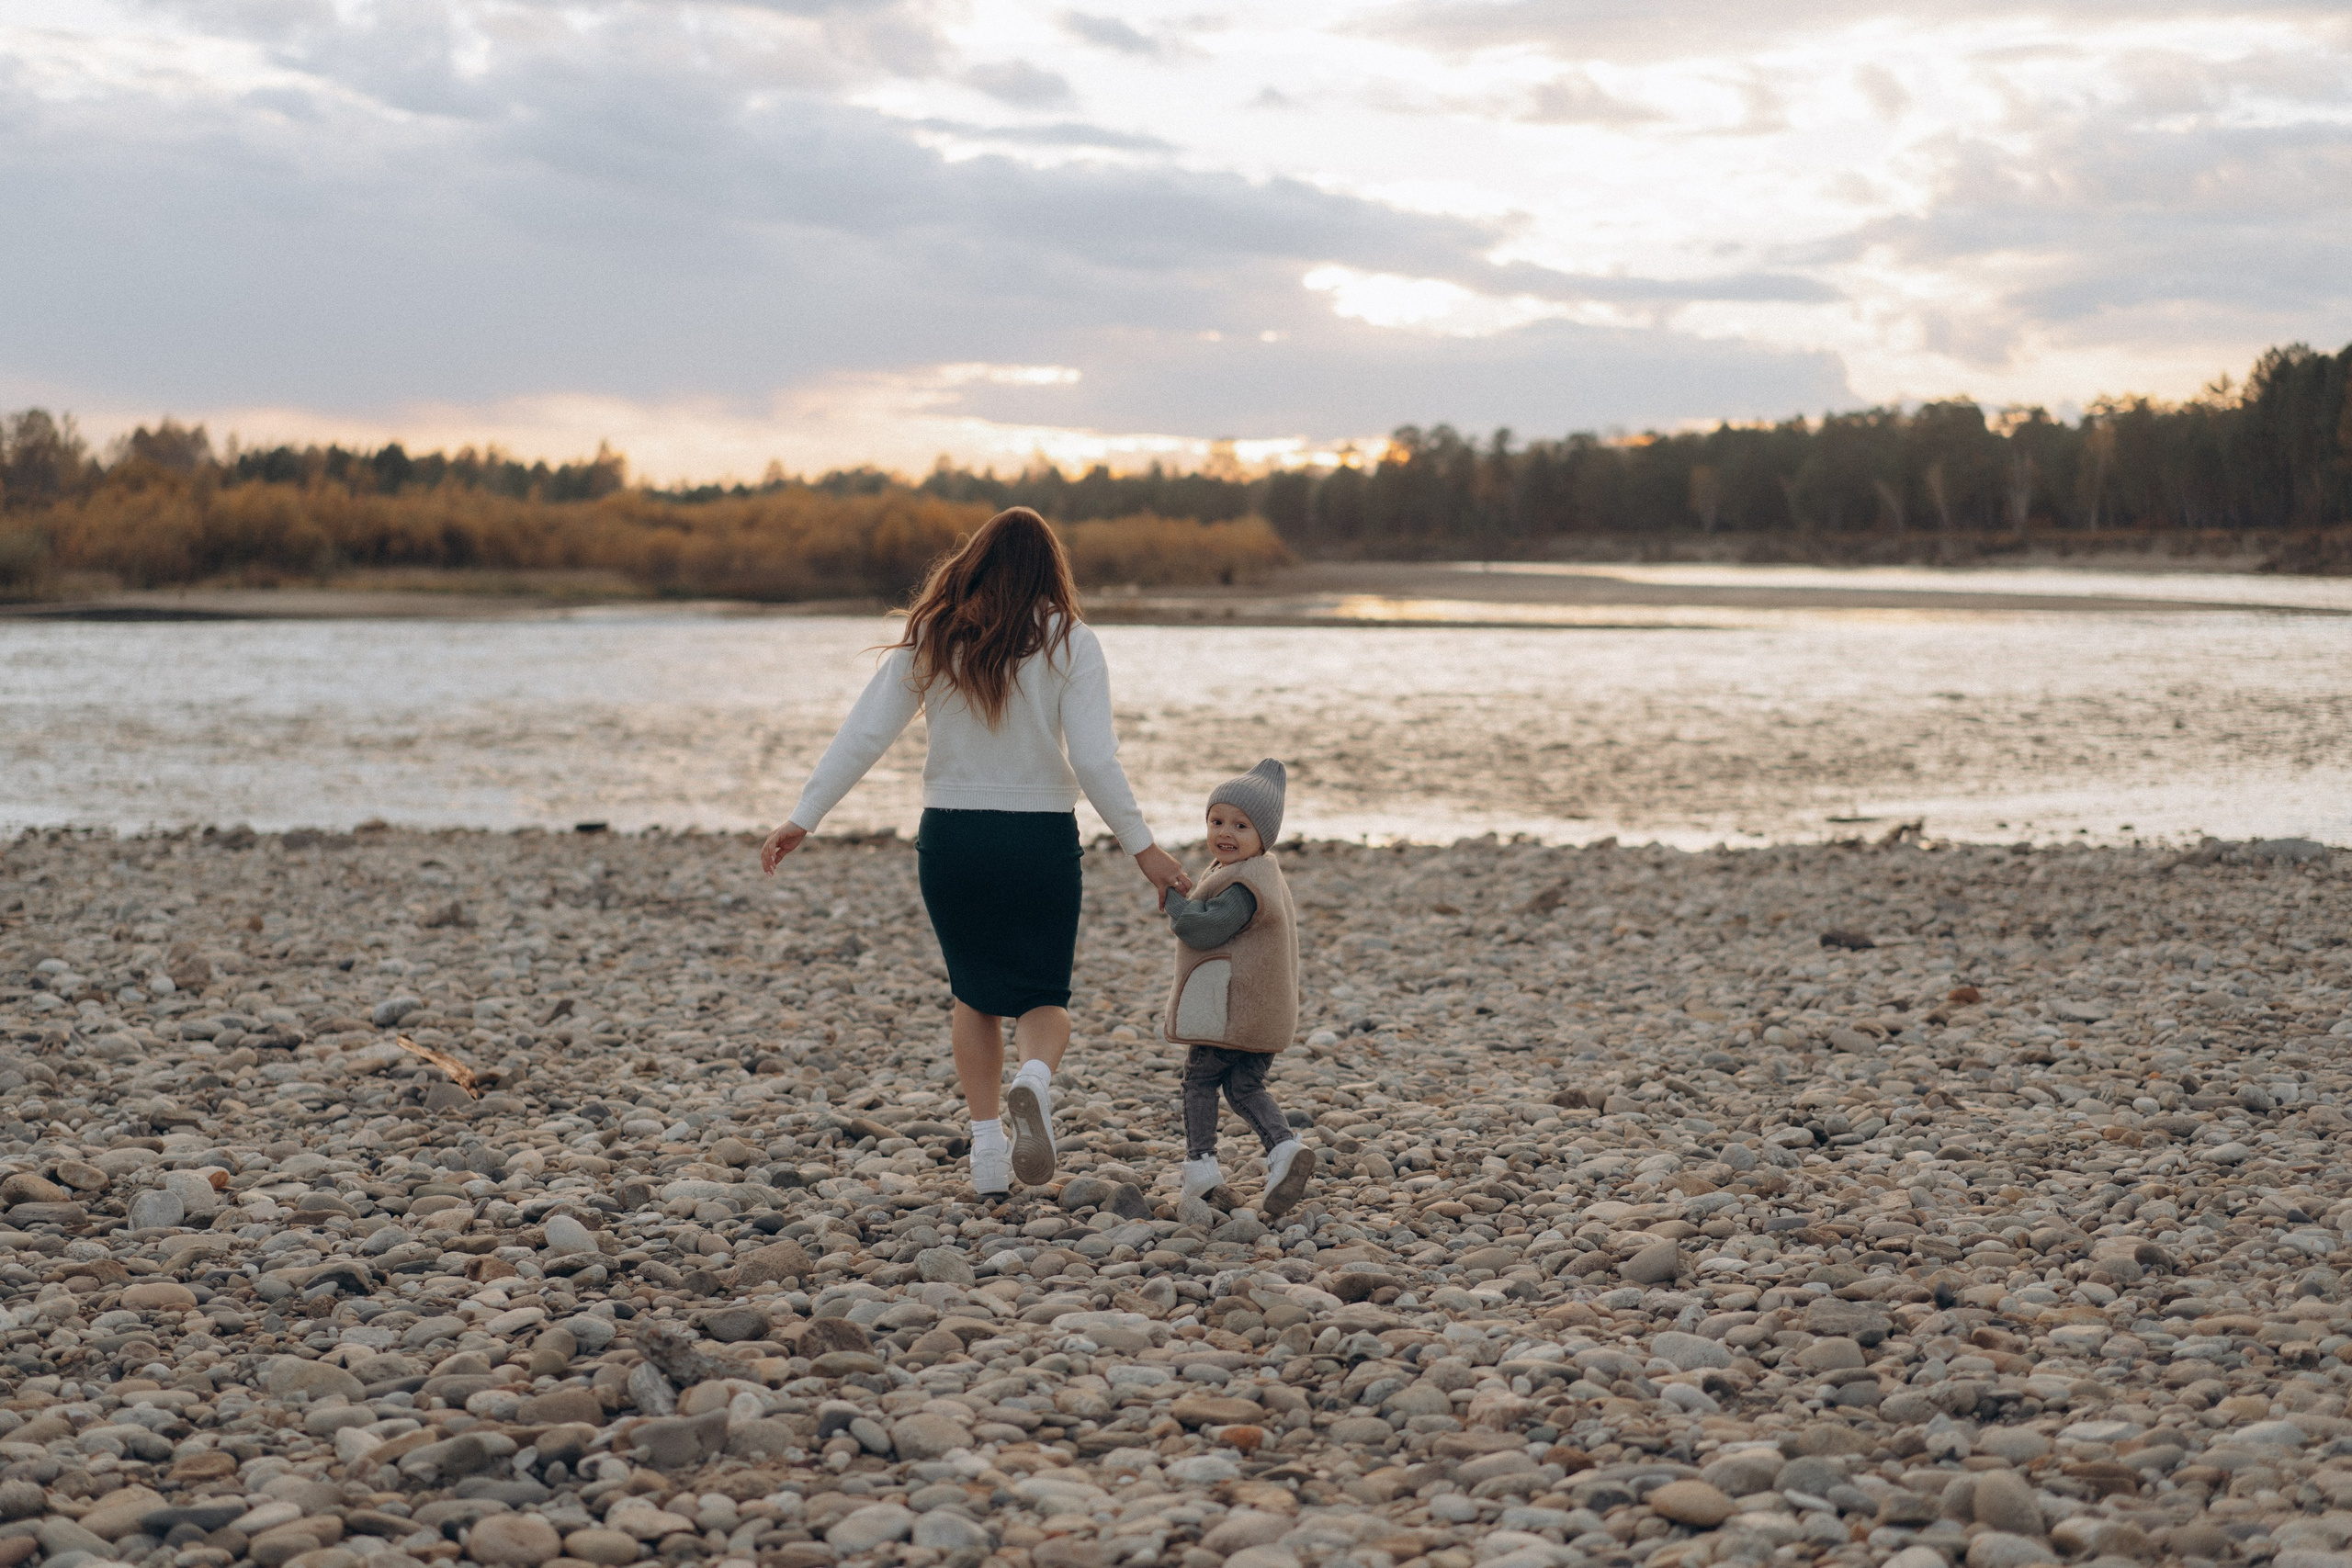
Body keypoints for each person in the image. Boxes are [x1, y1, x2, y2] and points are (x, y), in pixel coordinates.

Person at [759, 507, 1188, 1196]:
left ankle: (987, 1152)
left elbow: (865, 734)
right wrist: (1146, 850)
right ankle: (1034, 1079)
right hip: (1038, 838)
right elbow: (1095, 761)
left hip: (953, 837)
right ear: (1051, 569)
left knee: (974, 995)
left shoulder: (937, 633)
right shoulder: (1072, 640)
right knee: (1044, 995)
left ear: (976, 560)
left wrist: (803, 816)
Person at [1159, 758, 1315, 1218]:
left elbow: (1203, 929)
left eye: (1241, 825)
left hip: (1231, 1011)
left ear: (1264, 836)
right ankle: (1283, 1148)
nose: (1225, 832)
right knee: (1245, 1086)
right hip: (1262, 1011)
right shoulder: (1258, 872)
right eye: (1217, 821)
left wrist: (1174, 900)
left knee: (1200, 1080)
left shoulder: (1244, 884)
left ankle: (1201, 1165)